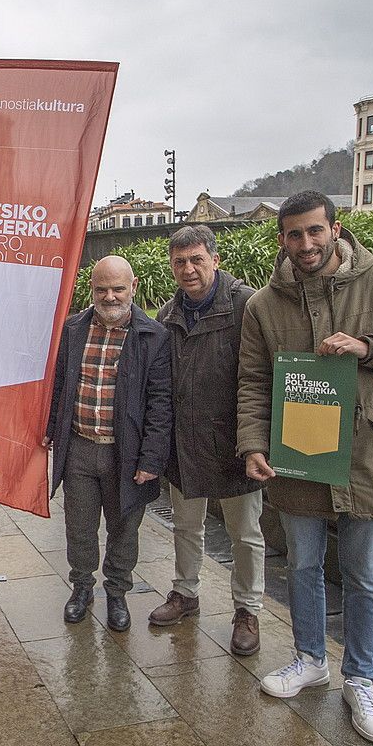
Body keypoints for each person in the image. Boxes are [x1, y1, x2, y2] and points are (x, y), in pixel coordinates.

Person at [238, 190, 373, 745]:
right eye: (293, 234)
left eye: (314, 231)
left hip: (369, 456)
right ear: (281, 238)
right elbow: (255, 382)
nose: (305, 244)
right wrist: (252, 443)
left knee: (364, 574)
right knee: (303, 566)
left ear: (335, 228)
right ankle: (310, 658)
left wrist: (369, 347)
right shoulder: (264, 305)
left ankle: (361, 678)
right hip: (300, 457)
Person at [148, 225, 266, 656]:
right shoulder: (167, 315)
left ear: (215, 259)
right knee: (186, 525)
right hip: (185, 442)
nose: (188, 269)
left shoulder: (247, 305)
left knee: (245, 533)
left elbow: (263, 375)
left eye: (197, 259)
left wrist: (258, 438)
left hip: (236, 442)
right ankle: (185, 592)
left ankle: (248, 610)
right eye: (179, 261)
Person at [44, 255, 172, 631]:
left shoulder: (153, 336)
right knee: (79, 528)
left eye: (118, 288)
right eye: (102, 289)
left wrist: (150, 458)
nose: (111, 297)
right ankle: (81, 588)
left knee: (123, 530)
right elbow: (60, 388)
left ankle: (117, 593)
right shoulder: (72, 330)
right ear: (92, 291)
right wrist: (51, 429)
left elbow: (160, 403)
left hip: (126, 453)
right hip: (80, 448)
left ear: (133, 287)